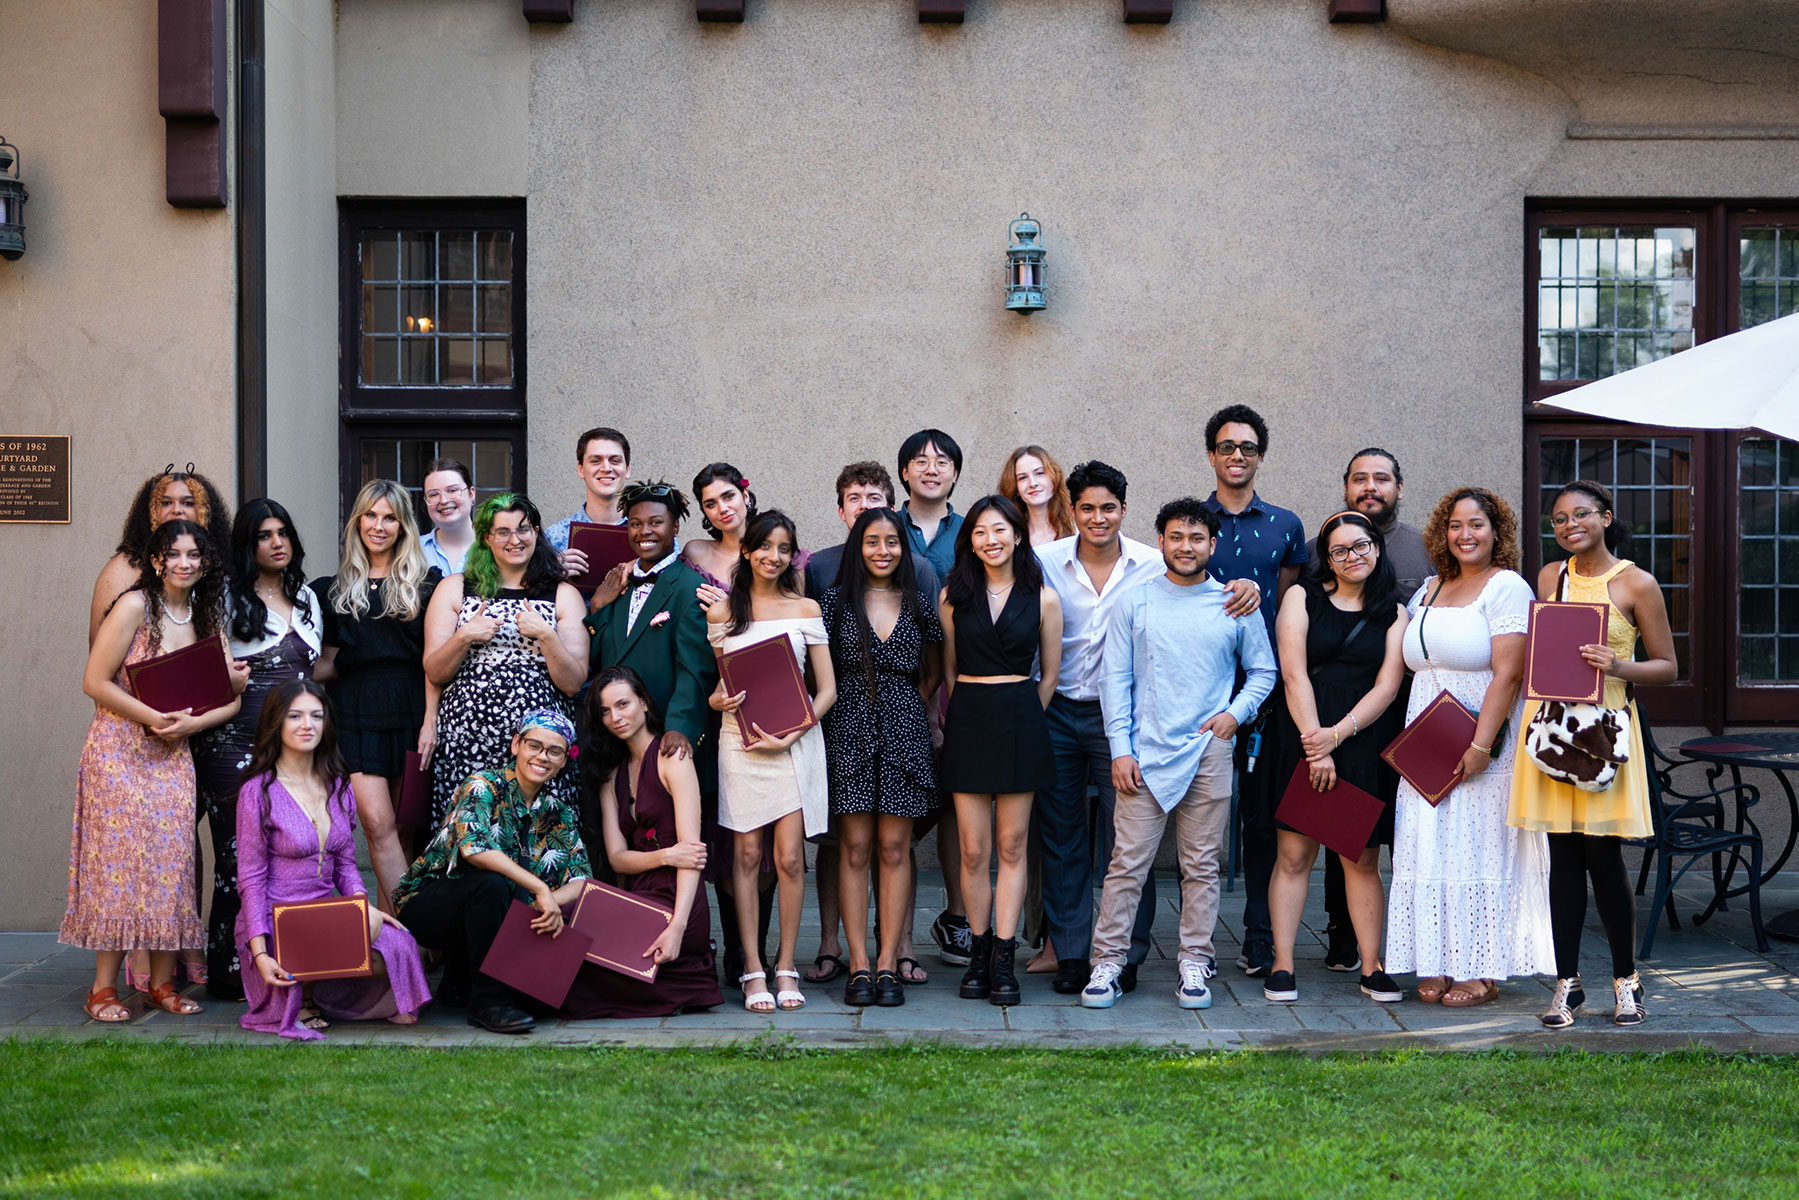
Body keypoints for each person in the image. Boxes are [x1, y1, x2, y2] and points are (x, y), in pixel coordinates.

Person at [1081, 501, 1277, 1010]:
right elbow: (1114, 680)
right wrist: (1119, 749)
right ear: (1161, 542)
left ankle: (1195, 960)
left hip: (1209, 748)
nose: (1185, 546)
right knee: (1126, 864)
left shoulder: (1234, 603)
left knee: (1202, 865)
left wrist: (1234, 716)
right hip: (1143, 754)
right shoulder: (1136, 601)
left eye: (1196, 538)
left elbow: (1263, 671)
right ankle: (1108, 961)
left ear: (1213, 545)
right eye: (1175, 537)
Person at [1510, 480, 1677, 1028]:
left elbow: (1668, 667)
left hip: (1605, 736)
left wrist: (1618, 665)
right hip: (1554, 732)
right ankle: (1567, 984)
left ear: (1606, 517)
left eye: (1580, 514)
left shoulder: (1636, 583)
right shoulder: (1549, 577)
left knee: (1604, 860)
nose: (1568, 526)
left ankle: (1626, 980)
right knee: (1562, 860)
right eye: (1558, 519)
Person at [65, 520, 242, 1023]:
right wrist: (154, 718)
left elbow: (229, 698)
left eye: (194, 555)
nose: (185, 563)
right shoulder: (134, 605)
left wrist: (189, 722)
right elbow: (94, 681)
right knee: (118, 867)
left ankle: (163, 984)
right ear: (157, 560)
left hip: (172, 754)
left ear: (205, 562)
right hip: (118, 750)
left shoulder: (207, 613)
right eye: (174, 554)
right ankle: (102, 989)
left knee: (172, 864)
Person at [1387, 486, 1554, 1006]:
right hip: (1425, 740)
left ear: (1496, 531)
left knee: (1477, 848)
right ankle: (1436, 961)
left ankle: (1480, 968)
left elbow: (1509, 672)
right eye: (1456, 525)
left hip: (1481, 738)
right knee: (1428, 846)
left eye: (1477, 524)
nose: (1466, 534)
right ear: (1443, 533)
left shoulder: (1506, 587)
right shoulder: (1429, 590)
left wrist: (1482, 745)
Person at [802, 461, 941, 987]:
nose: (882, 550)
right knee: (854, 849)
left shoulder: (918, 602)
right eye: (872, 542)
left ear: (903, 547)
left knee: (894, 849)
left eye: (891, 541)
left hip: (905, 734)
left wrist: (907, 709)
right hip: (849, 731)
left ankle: (888, 961)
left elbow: (930, 672)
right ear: (857, 547)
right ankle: (858, 962)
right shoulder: (833, 602)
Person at [1265, 511, 1408, 1006]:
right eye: (1341, 550)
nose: (1354, 557)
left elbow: (1388, 685)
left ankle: (1372, 968)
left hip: (1362, 740)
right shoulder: (1301, 597)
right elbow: (1293, 674)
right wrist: (1315, 743)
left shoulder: (1394, 611)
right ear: (1325, 558)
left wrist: (1337, 735)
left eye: (1362, 545)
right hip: (1303, 734)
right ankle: (1282, 965)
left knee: (1361, 859)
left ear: (1377, 547)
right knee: (1294, 856)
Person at [236, 679, 431, 1039]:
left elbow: (344, 863)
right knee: (306, 952)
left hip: (328, 910)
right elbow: (250, 878)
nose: (307, 725)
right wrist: (259, 951)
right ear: (276, 723)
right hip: (279, 916)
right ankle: (302, 994)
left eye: (316, 716)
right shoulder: (258, 791)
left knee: (401, 947)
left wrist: (361, 908)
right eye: (295, 716)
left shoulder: (338, 784)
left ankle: (319, 989)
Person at [1033, 461, 1163, 995]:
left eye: (1108, 507)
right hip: (1058, 709)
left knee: (1128, 838)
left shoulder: (1153, 565)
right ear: (1073, 510)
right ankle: (1070, 953)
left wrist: (1244, 586)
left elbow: (1204, 593)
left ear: (1123, 510)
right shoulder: (1044, 561)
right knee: (1062, 837)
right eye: (1086, 507)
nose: (1097, 517)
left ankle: (1125, 953)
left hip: (1126, 721)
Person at [584, 480, 723, 968]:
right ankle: (616, 943)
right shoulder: (617, 583)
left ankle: (685, 941)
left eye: (655, 523)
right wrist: (597, 610)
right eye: (636, 523)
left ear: (675, 527)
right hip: (614, 738)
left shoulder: (687, 587)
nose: (645, 531)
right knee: (611, 844)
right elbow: (599, 658)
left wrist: (680, 729)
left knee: (679, 846)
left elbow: (695, 668)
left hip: (663, 745)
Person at [702, 510, 836, 1013]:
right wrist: (717, 704)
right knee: (746, 857)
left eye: (783, 548)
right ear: (746, 551)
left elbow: (826, 691)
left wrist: (791, 734)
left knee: (788, 859)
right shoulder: (722, 615)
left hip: (794, 744)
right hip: (740, 744)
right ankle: (752, 967)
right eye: (764, 547)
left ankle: (786, 965)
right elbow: (723, 684)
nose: (773, 557)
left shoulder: (805, 609)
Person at [192, 498, 323, 999]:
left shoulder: (307, 597)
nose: (277, 543)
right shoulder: (224, 597)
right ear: (247, 546)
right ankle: (229, 970)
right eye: (265, 535)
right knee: (236, 857)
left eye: (283, 533)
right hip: (231, 744)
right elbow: (204, 672)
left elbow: (311, 672)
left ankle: (284, 962)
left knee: (283, 856)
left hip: (290, 747)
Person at [393, 710, 594, 1035]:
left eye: (554, 751)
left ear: (563, 761)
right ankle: (490, 1003)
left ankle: (458, 980)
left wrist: (547, 902)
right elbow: (476, 850)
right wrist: (539, 890)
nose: (542, 756)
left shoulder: (558, 812)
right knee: (491, 883)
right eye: (534, 745)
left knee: (542, 1002)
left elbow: (583, 880)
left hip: (496, 913)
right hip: (426, 904)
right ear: (516, 744)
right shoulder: (482, 785)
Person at [939, 495, 1063, 1006]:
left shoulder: (1044, 598)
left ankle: (1005, 959)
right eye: (979, 532)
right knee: (973, 850)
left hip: (1020, 716)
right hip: (969, 716)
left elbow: (1050, 674)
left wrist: (1022, 711)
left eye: (999, 530)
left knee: (1012, 847)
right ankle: (978, 954)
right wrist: (964, 709)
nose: (990, 540)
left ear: (1018, 535)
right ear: (970, 540)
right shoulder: (953, 595)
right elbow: (947, 669)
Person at [1199, 404, 1307, 980]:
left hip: (1265, 692)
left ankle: (1260, 937)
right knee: (1201, 817)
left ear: (1260, 456)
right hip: (1205, 690)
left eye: (1247, 447)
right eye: (1226, 446)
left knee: (1262, 818)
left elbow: (1289, 604)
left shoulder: (1286, 525)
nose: (1236, 455)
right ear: (1212, 454)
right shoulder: (1192, 522)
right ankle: (1194, 944)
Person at [1315, 446, 1430, 972]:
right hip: (1346, 712)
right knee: (1346, 828)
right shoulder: (1327, 547)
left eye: (1381, 479)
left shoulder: (1427, 550)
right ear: (1345, 488)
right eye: (1359, 479)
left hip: (1410, 711)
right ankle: (1344, 934)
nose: (1370, 487)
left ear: (1399, 488)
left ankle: (1406, 939)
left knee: (1403, 832)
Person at [564, 667, 724, 1017]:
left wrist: (677, 928)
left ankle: (688, 968)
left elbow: (692, 858)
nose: (615, 717)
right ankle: (686, 982)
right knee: (564, 926)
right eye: (605, 711)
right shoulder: (611, 773)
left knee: (578, 970)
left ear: (644, 702)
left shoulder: (672, 757)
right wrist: (667, 855)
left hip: (680, 903)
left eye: (623, 704)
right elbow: (618, 859)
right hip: (639, 896)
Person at [425, 493, 589, 832]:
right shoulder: (455, 588)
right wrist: (464, 636)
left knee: (538, 835)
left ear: (536, 532)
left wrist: (547, 636)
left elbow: (573, 682)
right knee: (472, 832)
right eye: (503, 532)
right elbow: (435, 671)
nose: (515, 540)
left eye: (523, 529)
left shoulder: (562, 594)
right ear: (486, 537)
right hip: (467, 737)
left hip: (539, 742)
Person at [313, 479, 442, 910]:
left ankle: (393, 944)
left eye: (389, 517)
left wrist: (430, 721)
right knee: (377, 825)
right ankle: (413, 932)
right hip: (355, 712)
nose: (379, 526)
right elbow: (327, 663)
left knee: (406, 832)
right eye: (371, 515)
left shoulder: (427, 584)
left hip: (411, 708)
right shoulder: (332, 589)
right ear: (358, 521)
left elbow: (433, 661)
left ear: (403, 525)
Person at [89, 463, 233, 645]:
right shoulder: (123, 567)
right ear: (151, 512)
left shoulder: (215, 565)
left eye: (188, 503)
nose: (176, 510)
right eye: (166, 503)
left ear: (204, 512)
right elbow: (99, 651)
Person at [683, 461, 811, 589]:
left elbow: (797, 606)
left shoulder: (780, 552)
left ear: (745, 496)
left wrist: (726, 607)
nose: (722, 508)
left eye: (728, 496)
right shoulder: (695, 553)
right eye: (711, 504)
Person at [546, 426, 632, 579]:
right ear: (581, 469)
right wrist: (551, 573)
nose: (606, 468)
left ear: (627, 469)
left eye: (615, 460)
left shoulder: (651, 533)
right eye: (595, 460)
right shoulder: (553, 538)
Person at [898, 428, 966, 581]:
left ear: (955, 474)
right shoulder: (886, 527)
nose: (931, 470)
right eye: (921, 462)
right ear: (905, 473)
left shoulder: (970, 531)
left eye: (942, 462)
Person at [997, 445, 1076, 547]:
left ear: (1054, 478)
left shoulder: (1077, 530)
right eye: (1023, 478)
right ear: (1016, 489)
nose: (1032, 483)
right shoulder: (1011, 538)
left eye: (1039, 473)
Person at [418, 458, 477, 576]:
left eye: (452, 490)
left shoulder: (495, 547)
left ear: (471, 493)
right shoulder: (414, 550)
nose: (443, 500)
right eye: (433, 494)